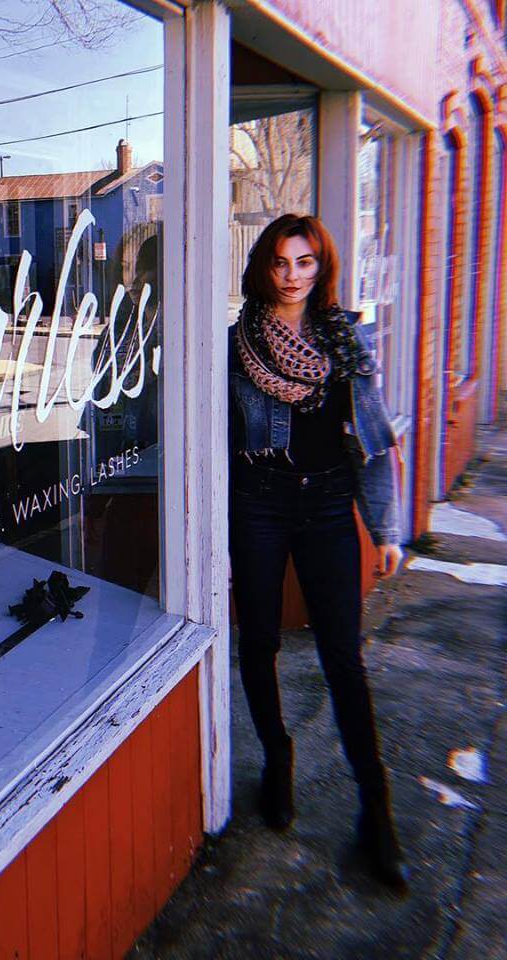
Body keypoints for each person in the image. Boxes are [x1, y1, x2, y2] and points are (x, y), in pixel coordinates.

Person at [227, 213, 409, 890]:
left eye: (304, 262)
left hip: (331, 505)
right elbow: (218, 441)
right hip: (261, 501)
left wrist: (384, 526)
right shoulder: (237, 342)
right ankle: (278, 760)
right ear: (263, 268)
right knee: (261, 641)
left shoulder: (347, 341)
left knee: (342, 656)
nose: (293, 275)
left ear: (321, 266)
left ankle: (376, 809)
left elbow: (372, 436)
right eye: (280, 262)